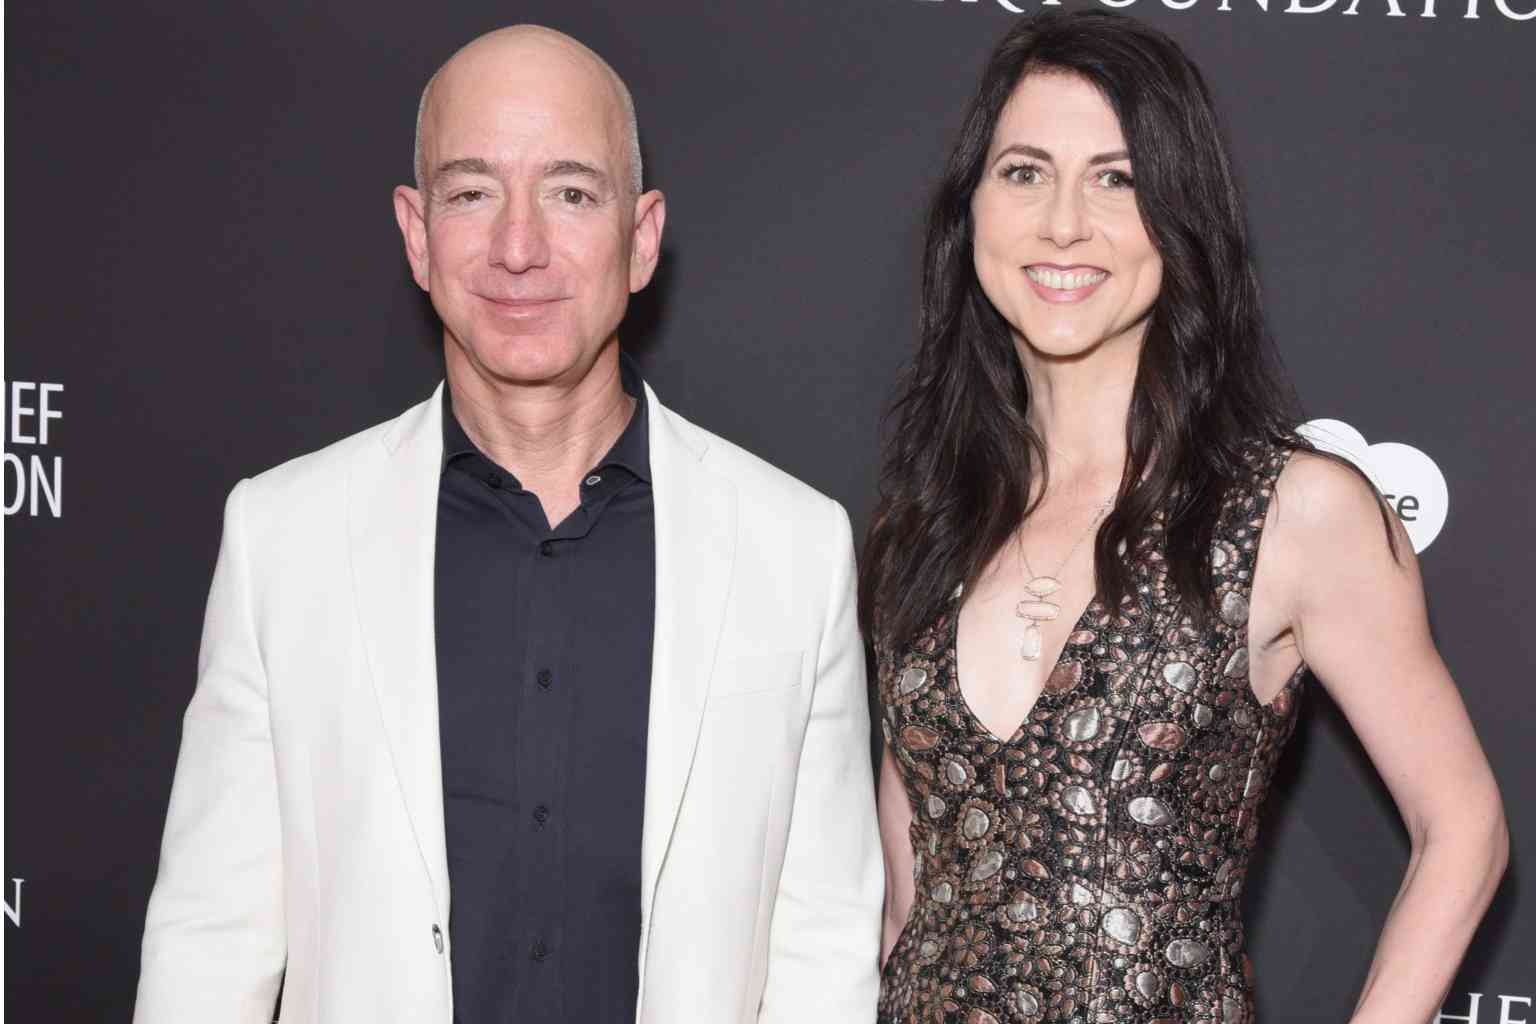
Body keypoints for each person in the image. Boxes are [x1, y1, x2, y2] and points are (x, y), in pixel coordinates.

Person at [134, 25, 881, 1024]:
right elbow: (210, 946)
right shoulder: (283, 539)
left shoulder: (794, 549)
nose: (518, 248)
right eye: (471, 193)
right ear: (416, 234)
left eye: (571, 192)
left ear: (642, 238)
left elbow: (823, 951)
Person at [860, 11, 1506, 1024]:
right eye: (1024, 172)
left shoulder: (1291, 509)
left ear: (1179, 215)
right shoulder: (929, 521)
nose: (1063, 223)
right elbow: (907, 897)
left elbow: (1464, 826)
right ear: (970, 208)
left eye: (1116, 180)